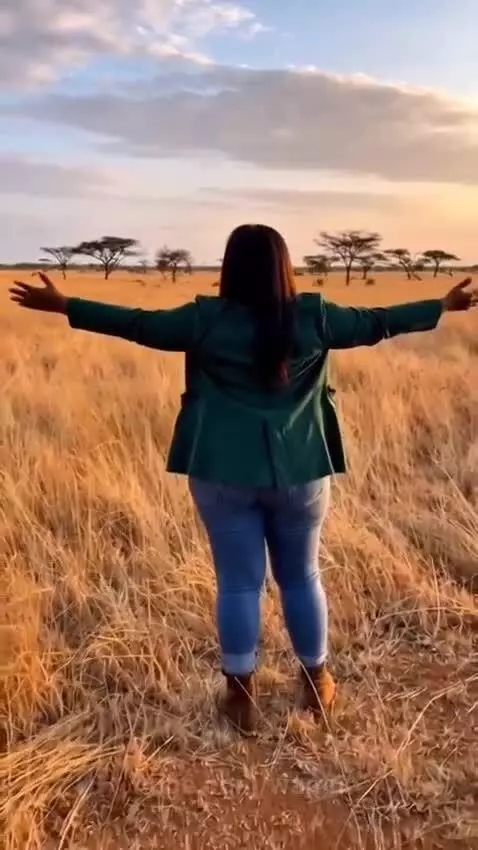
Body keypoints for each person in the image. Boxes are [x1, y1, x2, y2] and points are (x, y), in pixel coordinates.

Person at [9, 224, 477, 736]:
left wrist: (65, 306)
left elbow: (137, 324)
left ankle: (240, 697)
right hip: (301, 471)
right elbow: (381, 321)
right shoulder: (315, 317)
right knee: (301, 575)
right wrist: (441, 305)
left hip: (221, 472)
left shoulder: (204, 321)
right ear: (285, 265)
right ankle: (317, 682)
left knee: (238, 582)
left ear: (229, 268)